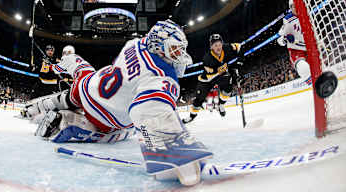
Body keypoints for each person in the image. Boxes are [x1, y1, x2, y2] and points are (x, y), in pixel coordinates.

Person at [32, 20, 213, 186]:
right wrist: (177, 151)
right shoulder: (162, 77)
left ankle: (39, 107)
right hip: (104, 117)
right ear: (159, 46)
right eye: (175, 49)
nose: (180, 55)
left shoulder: (135, 43)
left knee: (76, 63)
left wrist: (55, 67)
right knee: (126, 131)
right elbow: (148, 109)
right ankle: (69, 122)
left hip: (88, 84)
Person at [182, 34, 242, 123]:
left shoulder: (226, 47)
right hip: (207, 80)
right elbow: (213, 73)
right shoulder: (207, 59)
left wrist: (240, 60)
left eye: (219, 44)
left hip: (220, 75)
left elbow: (239, 46)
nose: (218, 47)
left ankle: (221, 105)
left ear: (222, 43)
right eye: (215, 45)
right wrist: (232, 73)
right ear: (211, 47)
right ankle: (192, 116)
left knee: (228, 89)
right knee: (199, 99)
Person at [277, 0, 312, 85]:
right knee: (303, 68)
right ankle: (315, 85)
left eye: (297, 5)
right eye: (293, 6)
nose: (295, 8)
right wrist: (285, 39)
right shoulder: (288, 20)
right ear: (290, 8)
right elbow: (279, 40)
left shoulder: (307, 16)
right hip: (296, 50)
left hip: (310, 48)